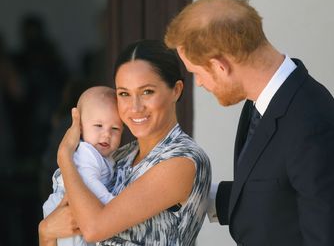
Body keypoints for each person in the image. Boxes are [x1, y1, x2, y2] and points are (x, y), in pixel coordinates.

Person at [164, 0, 334, 246]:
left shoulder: (314, 127)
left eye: (197, 73)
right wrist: (186, 192)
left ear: (220, 66)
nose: (199, 83)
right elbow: (273, 194)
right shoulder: (262, 101)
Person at [38, 39, 211, 246]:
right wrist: (46, 231)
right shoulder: (117, 156)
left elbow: (94, 229)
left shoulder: (182, 160)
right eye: (124, 94)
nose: (135, 107)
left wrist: (65, 156)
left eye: (147, 91)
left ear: (176, 90)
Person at [42, 86, 123, 246]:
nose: (106, 134)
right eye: (98, 126)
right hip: (66, 211)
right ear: (80, 128)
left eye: (115, 128)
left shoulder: (105, 155)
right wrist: (112, 204)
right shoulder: (87, 153)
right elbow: (90, 182)